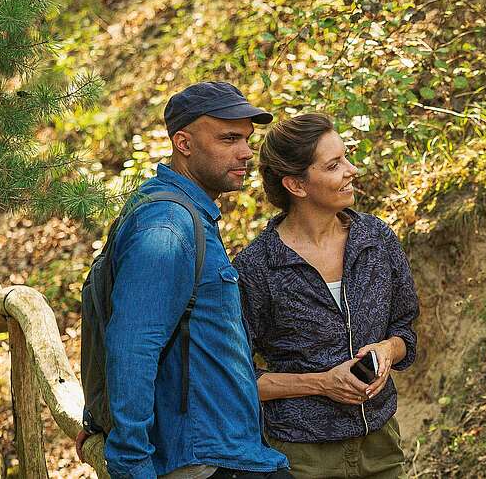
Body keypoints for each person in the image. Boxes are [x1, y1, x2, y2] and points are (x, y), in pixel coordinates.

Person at [78, 81, 294, 479]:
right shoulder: (168, 227)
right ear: (184, 143)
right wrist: (132, 463)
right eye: (229, 138)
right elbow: (132, 346)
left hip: (223, 450)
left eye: (247, 139)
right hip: (203, 460)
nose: (245, 152)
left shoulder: (180, 212)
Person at [232, 113, 419, 479]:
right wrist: (321, 383)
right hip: (302, 456)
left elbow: (405, 331)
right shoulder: (257, 268)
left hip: (381, 445)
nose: (351, 170)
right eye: (334, 165)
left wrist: (386, 350)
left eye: (346, 157)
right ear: (296, 185)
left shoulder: (376, 239)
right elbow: (237, 378)